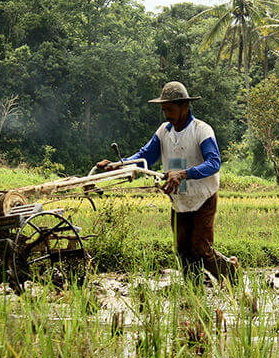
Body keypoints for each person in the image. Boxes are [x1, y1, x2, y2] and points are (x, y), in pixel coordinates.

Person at [97, 81, 238, 282]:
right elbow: (145, 155)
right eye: (164, 110)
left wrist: (183, 174)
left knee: (200, 248)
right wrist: (119, 164)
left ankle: (233, 276)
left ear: (185, 106)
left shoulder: (201, 130)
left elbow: (214, 163)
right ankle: (194, 292)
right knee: (183, 251)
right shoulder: (164, 131)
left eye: (170, 109)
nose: (167, 114)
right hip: (179, 199)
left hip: (203, 198)